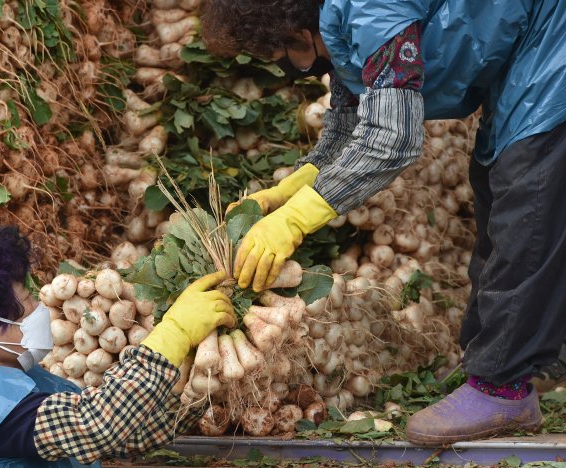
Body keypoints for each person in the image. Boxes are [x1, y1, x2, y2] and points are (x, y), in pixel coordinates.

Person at [201, 0, 566, 444]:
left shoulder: (370, 10)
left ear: (297, 35)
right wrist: (288, 191)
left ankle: (502, 387)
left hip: (551, 38)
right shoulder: (337, 26)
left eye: (278, 57)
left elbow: (395, 138)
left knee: (525, 202)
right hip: (524, 45)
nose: (286, 68)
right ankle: (499, 364)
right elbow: (347, 124)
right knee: (497, 191)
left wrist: (294, 222)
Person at [0, 222, 235, 468]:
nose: (38, 306)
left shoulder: (27, 381)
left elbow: (126, 435)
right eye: (25, 304)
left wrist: (196, 390)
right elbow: (94, 425)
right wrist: (173, 334)